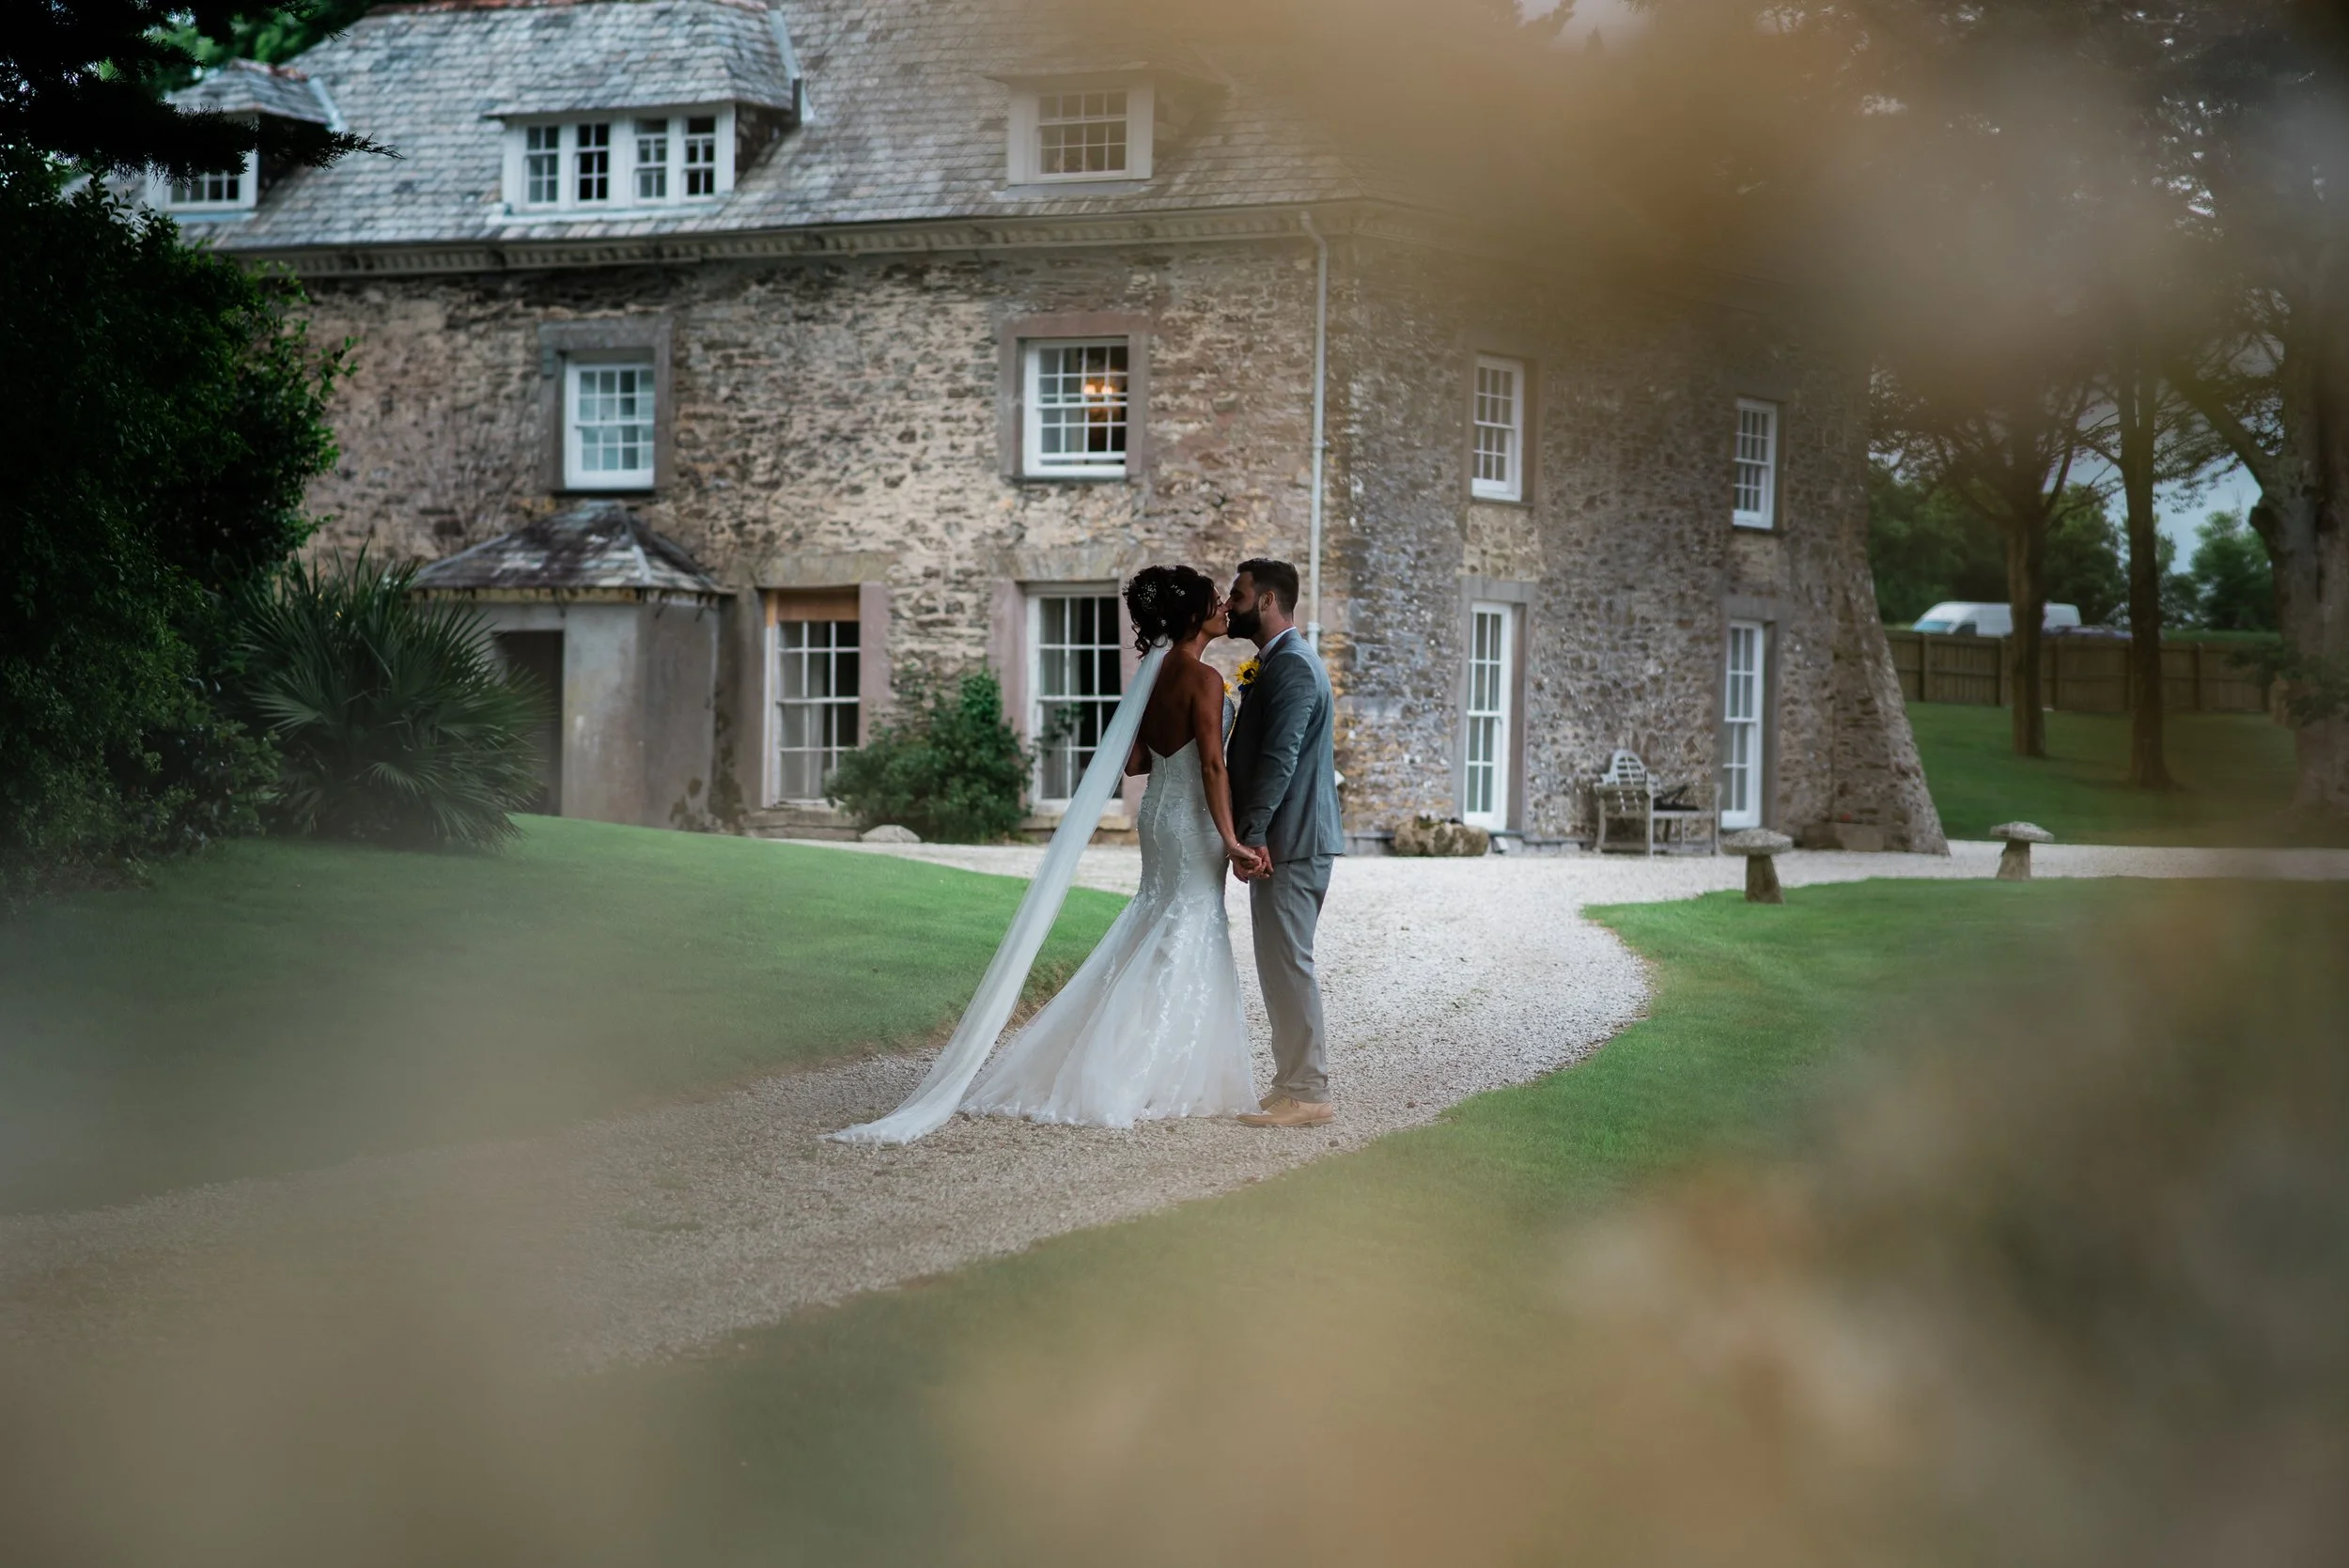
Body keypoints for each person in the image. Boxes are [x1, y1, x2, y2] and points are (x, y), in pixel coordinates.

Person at [963, 566, 1262, 1128]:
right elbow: (1213, 764)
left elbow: (1137, 762)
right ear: (1193, 617)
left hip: (1155, 815)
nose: (1225, 607)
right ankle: (1145, 1069)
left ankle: (1126, 1050)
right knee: (1190, 922)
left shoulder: (1151, 679)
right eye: (1215, 601)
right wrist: (1231, 838)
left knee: (1156, 917)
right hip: (1195, 820)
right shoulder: (1203, 679)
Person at [1221, 558, 1345, 1128]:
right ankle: (1292, 1082)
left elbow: (1281, 757)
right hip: (1289, 837)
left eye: (1239, 594)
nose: (1231, 602)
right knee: (1276, 961)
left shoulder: (1293, 666)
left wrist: (1252, 833)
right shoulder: (1277, 663)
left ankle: (1310, 1091)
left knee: (1288, 962)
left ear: (1268, 601)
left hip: (1292, 839)